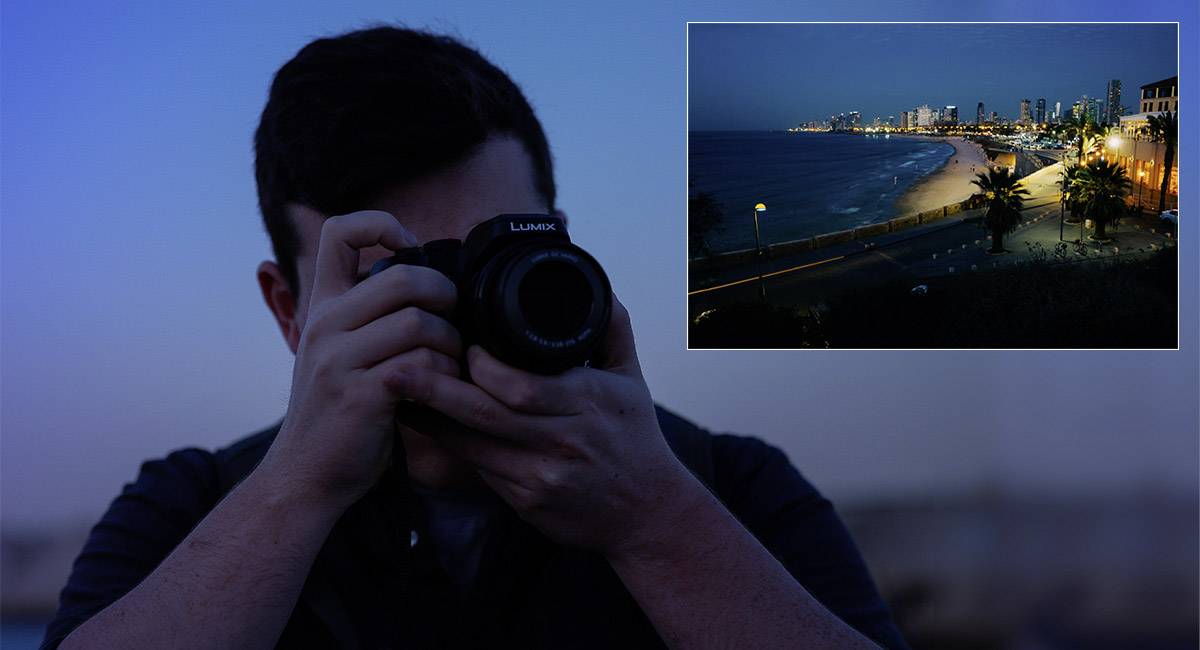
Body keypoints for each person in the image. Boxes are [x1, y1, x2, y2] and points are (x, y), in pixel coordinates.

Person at [43, 26, 908, 649]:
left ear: (558, 247)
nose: (453, 309)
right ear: (290, 311)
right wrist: (298, 492)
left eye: (495, 260)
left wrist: (654, 522)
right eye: (395, 279)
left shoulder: (733, 489)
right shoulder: (191, 507)